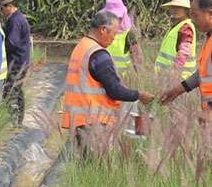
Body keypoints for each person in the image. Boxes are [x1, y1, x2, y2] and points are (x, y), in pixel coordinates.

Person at [61, 11, 154, 153]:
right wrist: (139, 95)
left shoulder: (82, 46)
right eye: (114, 33)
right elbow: (114, 90)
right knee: (96, 164)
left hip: (79, 119)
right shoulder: (98, 54)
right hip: (94, 121)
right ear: (103, 30)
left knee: (85, 164)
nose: (114, 38)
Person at [160, 0, 212, 118]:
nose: (193, 20)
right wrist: (178, 89)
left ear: (210, 14)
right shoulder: (209, 38)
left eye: (196, 15)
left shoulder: (186, 29)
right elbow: (204, 73)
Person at [0, 0, 31, 128]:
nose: (1, 11)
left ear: (8, 6)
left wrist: (0, 50)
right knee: (16, 90)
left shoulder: (15, 21)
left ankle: (15, 122)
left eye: (2, 8)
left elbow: (12, 43)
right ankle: (18, 121)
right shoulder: (17, 18)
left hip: (16, 62)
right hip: (21, 61)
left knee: (10, 91)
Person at [154, 0, 197, 80]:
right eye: (173, 7)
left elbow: (184, 51)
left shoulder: (186, 27)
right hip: (168, 78)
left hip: (179, 78)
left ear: (186, 10)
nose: (175, 10)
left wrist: (174, 71)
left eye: (179, 7)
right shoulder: (177, 26)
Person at [102, 0, 142, 75]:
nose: (115, 20)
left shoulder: (129, 34)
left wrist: (140, 79)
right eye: (111, 17)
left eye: (118, 17)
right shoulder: (101, 32)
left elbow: (137, 58)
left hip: (122, 79)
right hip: (103, 77)